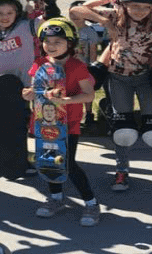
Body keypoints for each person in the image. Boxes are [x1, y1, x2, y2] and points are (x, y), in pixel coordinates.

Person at [71, 0, 152, 194]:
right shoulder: (115, 17)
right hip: (118, 79)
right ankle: (122, 170)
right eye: (134, 6)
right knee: (122, 131)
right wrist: (105, 22)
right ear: (124, 5)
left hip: (145, 79)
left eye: (145, 7)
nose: (140, 11)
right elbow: (76, 10)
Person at [0, 0, 60, 179]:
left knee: (20, 121)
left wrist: (50, 2)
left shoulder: (27, 26)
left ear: (17, 13)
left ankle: (21, 158)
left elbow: (51, 19)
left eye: (9, 13)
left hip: (23, 84)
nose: (4, 17)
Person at [22, 18, 100, 226]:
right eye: (47, 41)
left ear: (70, 43)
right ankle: (55, 199)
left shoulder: (76, 66)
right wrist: (29, 94)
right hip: (43, 123)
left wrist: (66, 100)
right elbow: (35, 90)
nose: (51, 46)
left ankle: (91, 203)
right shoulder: (39, 63)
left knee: (68, 164)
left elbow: (89, 95)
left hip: (69, 124)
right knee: (49, 162)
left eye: (58, 41)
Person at [68, 1, 101, 128]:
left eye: (79, 13)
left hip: (84, 66)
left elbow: (93, 50)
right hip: (69, 66)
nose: (75, 16)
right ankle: (71, 115)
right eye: (73, 13)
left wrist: (92, 66)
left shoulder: (90, 32)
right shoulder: (67, 29)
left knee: (87, 90)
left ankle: (88, 114)